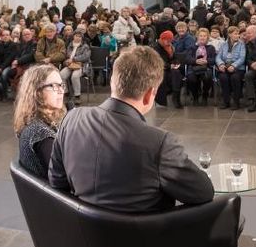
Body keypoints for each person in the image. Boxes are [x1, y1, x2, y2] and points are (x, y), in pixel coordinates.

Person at [48, 46, 215, 212]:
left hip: (81, 233)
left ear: (113, 81)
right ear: (150, 94)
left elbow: (56, 182)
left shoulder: (71, 118)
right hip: (145, 236)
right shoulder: (159, 143)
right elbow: (203, 192)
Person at [14, 65, 67, 179]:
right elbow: (64, 177)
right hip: (54, 195)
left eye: (61, 85)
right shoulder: (39, 132)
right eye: (53, 86)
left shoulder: (40, 121)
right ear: (36, 92)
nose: (61, 90)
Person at [215, 25, 246, 109]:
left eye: (238, 34)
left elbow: (242, 58)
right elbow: (218, 57)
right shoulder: (223, 44)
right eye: (235, 34)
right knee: (223, 78)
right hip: (225, 66)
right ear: (229, 34)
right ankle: (226, 101)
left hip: (238, 68)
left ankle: (236, 102)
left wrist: (233, 65)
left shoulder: (241, 44)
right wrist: (221, 64)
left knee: (235, 78)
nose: (237, 35)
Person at [60, 30, 91, 102]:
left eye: (80, 36)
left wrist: (73, 59)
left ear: (82, 38)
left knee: (75, 76)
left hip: (81, 65)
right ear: (73, 37)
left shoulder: (85, 46)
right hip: (70, 65)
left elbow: (86, 57)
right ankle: (66, 92)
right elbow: (66, 55)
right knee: (61, 75)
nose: (78, 38)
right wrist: (67, 61)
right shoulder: (70, 45)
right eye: (76, 36)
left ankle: (77, 96)